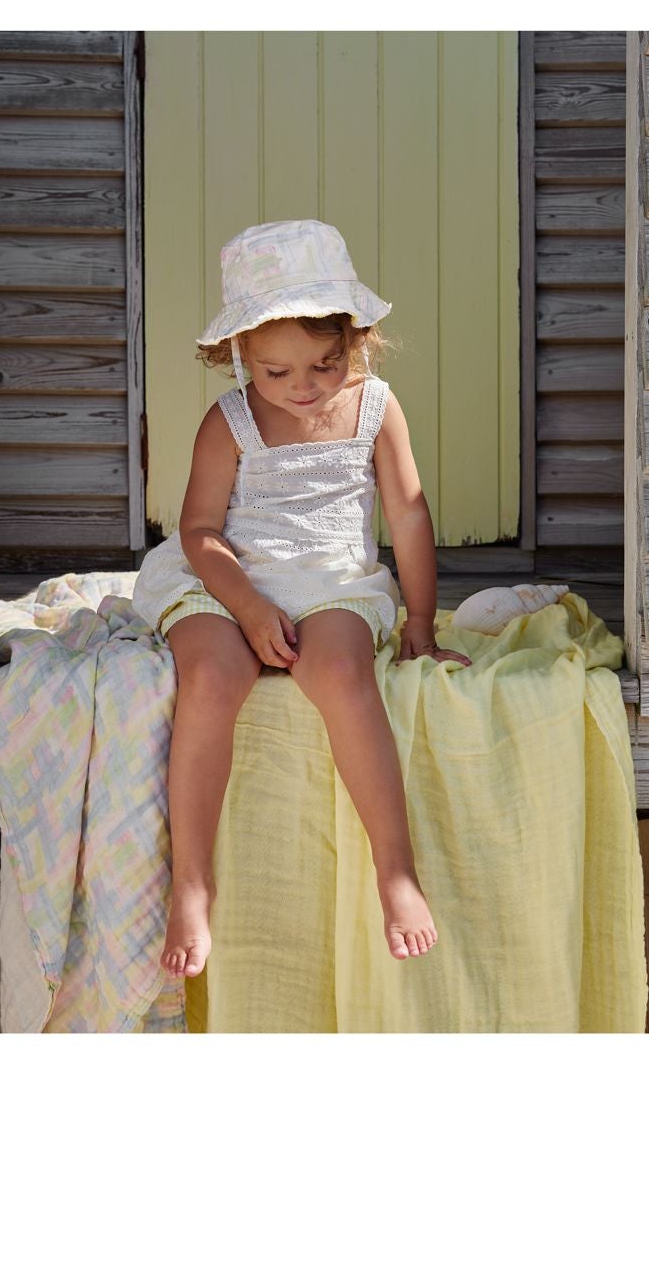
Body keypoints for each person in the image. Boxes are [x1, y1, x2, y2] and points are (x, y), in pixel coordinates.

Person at [131, 218, 472, 981]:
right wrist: (248, 607)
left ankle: (396, 870)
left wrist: (419, 621)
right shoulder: (230, 422)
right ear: (238, 354)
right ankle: (193, 881)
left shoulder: (376, 408)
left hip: (332, 577)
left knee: (343, 674)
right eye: (277, 372)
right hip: (230, 576)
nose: (303, 388)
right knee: (213, 678)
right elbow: (198, 531)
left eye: (324, 363)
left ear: (356, 338)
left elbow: (408, 514)